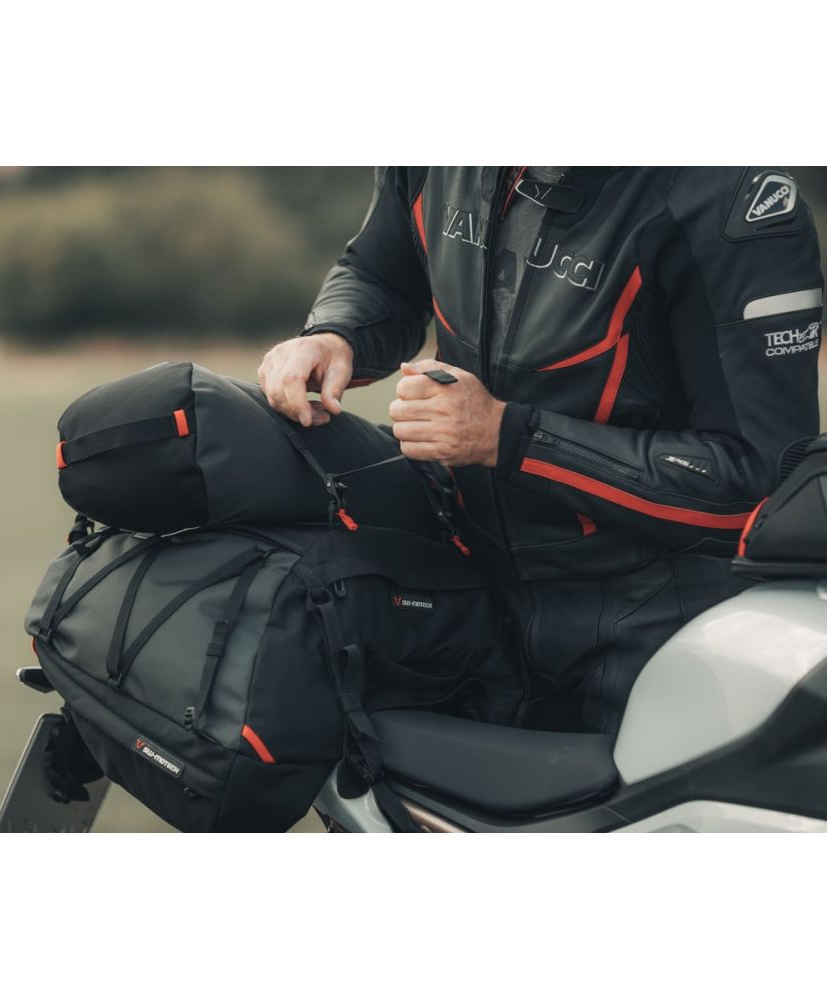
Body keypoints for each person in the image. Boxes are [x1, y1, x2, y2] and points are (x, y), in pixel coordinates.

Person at [259, 167, 824, 734]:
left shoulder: (731, 198)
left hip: (655, 619)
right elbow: (381, 273)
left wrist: (508, 437)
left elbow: (755, 483)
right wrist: (336, 333)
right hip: (471, 586)